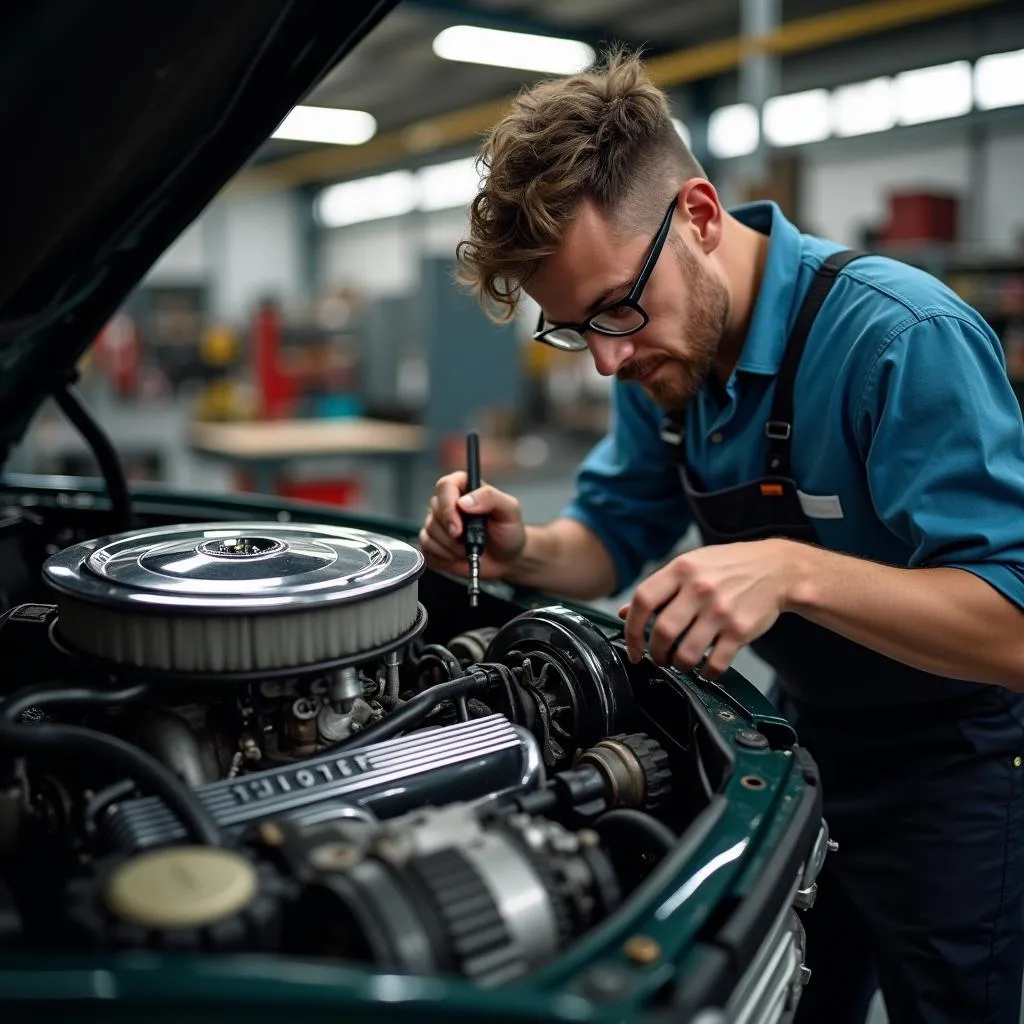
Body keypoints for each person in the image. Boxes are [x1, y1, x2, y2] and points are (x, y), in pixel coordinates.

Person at [418, 48, 1024, 1024]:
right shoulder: (666, 360)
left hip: (953, 763)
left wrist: (792, 571)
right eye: (575, 329)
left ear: (699, 215)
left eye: (616, 308)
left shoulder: (897, 341)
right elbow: (609, 542)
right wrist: (522, 545)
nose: (608, 358)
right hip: (804, 744)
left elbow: (1013, 629)